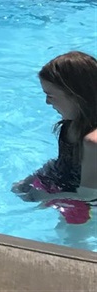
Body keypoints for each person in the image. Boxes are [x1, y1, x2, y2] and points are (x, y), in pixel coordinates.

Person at [12, 51, 97, 216]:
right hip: (68, 189)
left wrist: (47, 197)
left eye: (50, 95)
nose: (47, 102)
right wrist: (32, 178)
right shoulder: (69, 125)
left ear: (76, 96)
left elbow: (90, 196)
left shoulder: (92, 142)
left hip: (88, 205)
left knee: (70, 236)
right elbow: (64, 162)